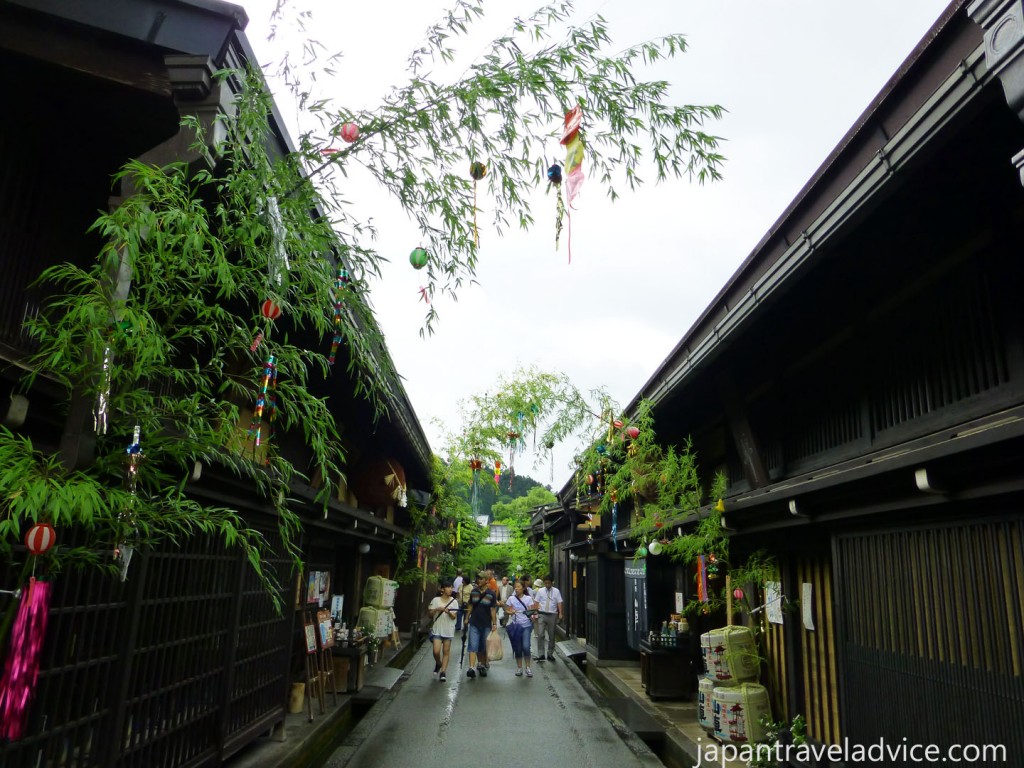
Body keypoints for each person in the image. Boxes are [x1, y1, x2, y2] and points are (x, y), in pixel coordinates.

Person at [466, 571, 498, 679]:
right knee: (473, 645)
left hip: (486, 624)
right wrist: (466, 618)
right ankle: (471, 667)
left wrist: (494, 623)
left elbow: (493, 609)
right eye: (477, 579)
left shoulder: (491, 594)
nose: (478, 581)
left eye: (480, 579)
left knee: (484, 647)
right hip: (474, 622)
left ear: (486, 580)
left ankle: (482, 664)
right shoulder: (474, 592)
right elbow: (470, 605)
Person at [504, 579, 538, 677]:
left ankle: (528, 667)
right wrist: (511, 612)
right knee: (517, 648)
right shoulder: (511, 599)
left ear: (523, 588)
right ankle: (519, 667)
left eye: (519, 587)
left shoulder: (528, 599)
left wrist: (532, 614)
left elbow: (532, 611)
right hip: (516, 626)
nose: (516, 588)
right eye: (516, 587)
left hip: (526, 626)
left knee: (526, 647)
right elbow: (507, 609)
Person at [427, 581, 459, 682]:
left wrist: (448, 611)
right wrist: (437, 609)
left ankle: (443, 672)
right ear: (442, 589)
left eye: (451, 587)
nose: (450, 589)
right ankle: (439, 663)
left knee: (446, 651)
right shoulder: (436, 600)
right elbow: (430, 614)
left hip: (448, 629)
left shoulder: (454, 601)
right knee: (436, 651)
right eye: (448, 587)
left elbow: (454, 617)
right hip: (437, 629)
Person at [533, 575, 563, 661]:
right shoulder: (541, 591)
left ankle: (550, 653)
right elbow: (536, 602)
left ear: (552, 583)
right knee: (540, 634)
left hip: (552, 614)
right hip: (542, 613)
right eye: (545, 583)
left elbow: (559, 602)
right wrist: (535, 613)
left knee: (552, 635)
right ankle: (541, 653)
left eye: (548, 583)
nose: (547, 585)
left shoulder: (556, 591)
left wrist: (560, 613)